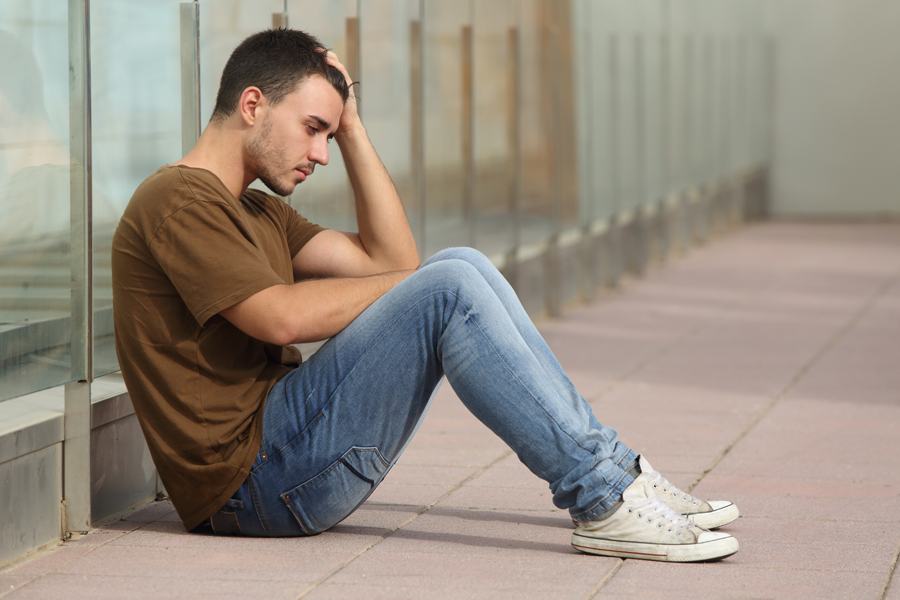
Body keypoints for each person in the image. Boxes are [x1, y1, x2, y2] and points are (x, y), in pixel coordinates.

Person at [111, 28, 739, 563]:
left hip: (283, 449)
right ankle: (603, 497)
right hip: (250, 484)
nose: (320, 154)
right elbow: (276, 318)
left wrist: (353, 124)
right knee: (449, 279)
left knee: (458, 265)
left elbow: (390, 261)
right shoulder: (176, 201)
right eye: (312, 129)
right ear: (252, 104)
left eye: (329, 135)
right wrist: (428, 282)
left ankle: (617, 474)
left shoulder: (257, 211)